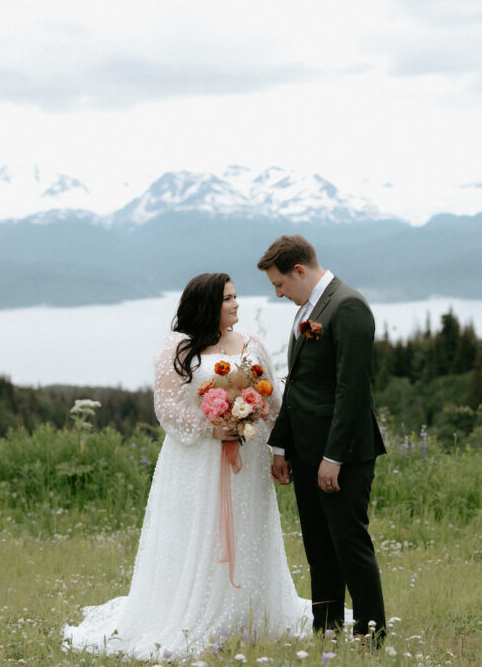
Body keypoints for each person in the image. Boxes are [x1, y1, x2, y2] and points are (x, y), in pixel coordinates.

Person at [62, 272, 313, 660]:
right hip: (196, 459)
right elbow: (166, 408)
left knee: (249, 531)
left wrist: (274, 443)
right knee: (200, 532)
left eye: (235, 297)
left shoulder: (252, 345)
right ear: (208, 304)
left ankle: (252, 612)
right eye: (228, 298)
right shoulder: (178, 348)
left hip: (246, 456)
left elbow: (274, 403)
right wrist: (211, 431)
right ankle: (192, 615)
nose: (236, 304)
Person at [257, 234, 387, 646]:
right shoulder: (309, 309)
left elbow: (352, 391)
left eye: (279, 284)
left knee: (349, 543)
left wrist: (334, 456)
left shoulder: (348, 306)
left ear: (299, 271)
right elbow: (298, 387)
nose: (278, 294)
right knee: (319, 546)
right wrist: (281, 448)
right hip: (306, 450)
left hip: (341, 454)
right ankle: (326, 629)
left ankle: (371, 634)